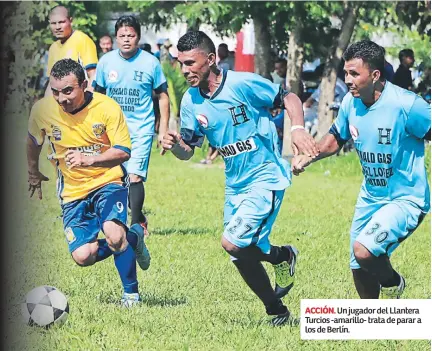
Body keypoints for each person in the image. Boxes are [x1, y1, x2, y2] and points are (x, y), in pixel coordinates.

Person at [161, 31, 319, 326]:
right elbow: (188, 151)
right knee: (243, 253)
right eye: (181, 64)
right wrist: (175, 147)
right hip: (235, 185)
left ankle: (281, 261)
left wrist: (297, 129)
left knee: (232, 243)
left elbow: (289, 97)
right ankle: (277, 303)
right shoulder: (191, 101)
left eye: (190, 63)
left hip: (265, 177)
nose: (184, 70)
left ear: (210, 60)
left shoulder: (242, 84)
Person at [292, 40, 431, 299]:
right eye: (346, 72)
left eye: (354, 73)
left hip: (406, 198)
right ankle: (372, 322)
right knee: (358, 265)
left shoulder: (407, 105)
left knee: (364, 250)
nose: (348, 79)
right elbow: (335, 139)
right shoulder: (349, 102)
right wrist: (309, 156)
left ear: (375, 75)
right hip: (370, 197)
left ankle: (393, 284)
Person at [27, 59, 151, 306]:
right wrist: (32, 172)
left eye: (68, 91)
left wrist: (89, 159)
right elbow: (32, 141)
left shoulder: (107, 107)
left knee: (114, 235)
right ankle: (134, 238)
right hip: (72, 191)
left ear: (84, 85)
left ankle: (131, 296)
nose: (61, 98)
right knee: (84, 256)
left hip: (108, 180)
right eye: (55, 91)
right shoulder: (43, 110)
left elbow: (123, 151)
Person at [93, 16, 170, 234]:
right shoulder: (106, 62)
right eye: (122, 36)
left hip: (141, 130)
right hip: (112, 131)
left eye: (131, 35)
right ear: (116, 37)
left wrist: (162, 129)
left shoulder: (150, 63)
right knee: (117, 177)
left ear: (138, 36)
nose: (126, 39)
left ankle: (136, 223)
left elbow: (163, 96)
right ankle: (126, 217)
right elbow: (97, 96)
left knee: (134, 176)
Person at [45, 5, 98, 96]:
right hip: (59, 102)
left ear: (71, 20)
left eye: (61, 22)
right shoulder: (53, 48)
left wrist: (87, 100)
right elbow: (51, 82)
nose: (57, 27)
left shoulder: (82, 40)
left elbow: (93, 75)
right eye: (54, 23)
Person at [303, 64, 348, 136]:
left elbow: (308, 102)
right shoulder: (342, 84)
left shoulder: (326, 83)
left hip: (324, 115)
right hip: (339, 113)